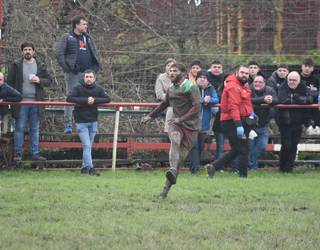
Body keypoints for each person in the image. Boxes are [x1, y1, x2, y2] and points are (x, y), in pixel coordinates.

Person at [141, 63, 201, 198]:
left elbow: (197, 107)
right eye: (170, 71)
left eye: (175, 71)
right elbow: (164, 104)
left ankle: (165, 190)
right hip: (176, 123)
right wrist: (150, 115)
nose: (171, 73)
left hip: (191, 127)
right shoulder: (171, 89)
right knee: (174, 140)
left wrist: (182, 119)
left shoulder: (191, 87)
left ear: (183, 73)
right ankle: (172, 169)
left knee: (180, 160)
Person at [207, 65, 255, 178]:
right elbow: (233, 107)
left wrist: (252, 114)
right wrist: (238, 124)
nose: (244, 75)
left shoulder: (243, 85)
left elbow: (247, 103)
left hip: (240, 120)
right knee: (243, 149)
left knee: (238, 149)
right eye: (242, 73)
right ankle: (243, 176)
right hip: (231, 121)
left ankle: (214, 166)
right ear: (236, 73)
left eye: (247, 73)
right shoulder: (233, 86)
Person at [7, 42, 52, 162]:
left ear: (34, 51)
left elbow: (49, 81)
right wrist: (9, 99)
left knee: (35, 129)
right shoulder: (16, 65)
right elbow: (9, 83)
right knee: (19, 128)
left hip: (36, 102)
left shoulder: (40, 65)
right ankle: (18, 154)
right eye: (25, 49)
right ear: (22, 51)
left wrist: (39, 80)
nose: (28, 51)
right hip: (20, 102)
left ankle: (35, 153)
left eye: (30, 49)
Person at [56, 15, 100, 133]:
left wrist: (95, 68)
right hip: (73, 73)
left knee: (90, 98)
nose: (86, 26)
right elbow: (59, 55)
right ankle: (68, 124)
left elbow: (95, 53)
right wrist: (68, 68)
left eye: (86, 24)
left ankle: (88, 124)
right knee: (71, 97)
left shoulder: (88, 38)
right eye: (84, 24)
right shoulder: (68, 37)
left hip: (88, 73)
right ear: (77, 25)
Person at [66, 69, 110, 176]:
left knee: (88, 146)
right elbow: (69, 98)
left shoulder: (98, 89)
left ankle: (84, 168)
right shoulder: (77, 88)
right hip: (81, 121)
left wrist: (94, 100)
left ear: (94, 78)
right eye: (87, 77)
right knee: (87, 145)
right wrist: (86, 100)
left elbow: (107, 99)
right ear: (84, 78)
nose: (89, 79)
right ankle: (91, 168)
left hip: (93, 121)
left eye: (91, 77)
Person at [276, 71, 313, 173]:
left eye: (294, 80)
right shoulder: (283, 87)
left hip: (298, 122)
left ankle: (289, 169)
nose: (292, 82)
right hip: (285, 122)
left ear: (299, 81)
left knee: (294, 146)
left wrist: (297, 98)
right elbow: (283, 100)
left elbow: (310, 99)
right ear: (287, 80)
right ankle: (282, 168)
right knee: (286, 145)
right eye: (290, 80)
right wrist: (299, 99)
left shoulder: (303, 86)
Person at [188, 70, 219, 174]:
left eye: (204, 78)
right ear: (196, 79)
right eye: (200, 77)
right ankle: (195, 169)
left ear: (207, 80)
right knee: (194, 146)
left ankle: (194, 165)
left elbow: (216, 99)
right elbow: (191, 100)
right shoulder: (192, 88)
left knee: (201, 146)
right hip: (192, 123)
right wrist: (202, 100)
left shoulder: (211, 89)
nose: (202, 79)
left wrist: (208, 101)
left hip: (205, 124)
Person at [249, 75, 277, 170]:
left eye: (260, 82)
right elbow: (247, 100)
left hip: (263, 124)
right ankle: (253, 167)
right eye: (256, 82)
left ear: (264, 83)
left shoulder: (270, 90)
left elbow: (277, 100)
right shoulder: (248, 89)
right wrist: (263, 99)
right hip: (250, 125)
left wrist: (271, 100)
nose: (257, 84)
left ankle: (251, 163)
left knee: (262, 146)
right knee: (250, 146)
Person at [206, 60, 226, 164]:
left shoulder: (225, 78)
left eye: (219, 67)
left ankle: (219, 165)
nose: (217, 69)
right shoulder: (205, 77)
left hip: (222, 114)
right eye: (215, 67)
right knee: (202, 139)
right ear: (211, 67)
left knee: (221, 143)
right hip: (207, 112)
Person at [154, 58, 176, 132]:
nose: (170, 67)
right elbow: (159, 95)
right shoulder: (161, 78)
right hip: (164, 103)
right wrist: (171, 97)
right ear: (165, 67)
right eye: (168, 65)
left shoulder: (179, 77)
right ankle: (168, 131)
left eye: (172, 66)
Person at [299, 58, 320, 134]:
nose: (307, 68)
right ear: (302, 67)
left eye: (309, 66)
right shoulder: (296, 77)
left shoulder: (316, 79)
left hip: (313, 104)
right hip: (299, 104)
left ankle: (316, 127)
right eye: (305, 66)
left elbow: (317, 93)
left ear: (313, 68)